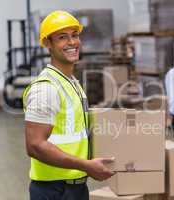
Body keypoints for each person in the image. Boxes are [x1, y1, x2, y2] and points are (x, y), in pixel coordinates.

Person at [22, 10, 114, 200]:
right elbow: (34, 145)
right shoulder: (46, 88)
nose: (72, 42)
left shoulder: (71, 82)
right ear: (47, 43)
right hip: (54, 191)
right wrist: (86, 165)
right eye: (62, 37)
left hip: (75, 187)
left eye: (75, 35)